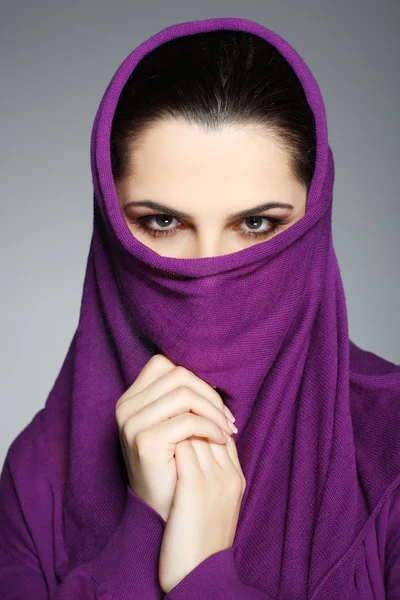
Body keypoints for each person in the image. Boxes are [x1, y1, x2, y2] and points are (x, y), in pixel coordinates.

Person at [0, 16, 399, 600]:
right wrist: (143, 531)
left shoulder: (391, 446)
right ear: (113, 227)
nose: (208, 270)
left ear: (313, 222)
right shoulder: (38, 477)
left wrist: (201, 576)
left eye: (257, 224)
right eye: (163, 222)